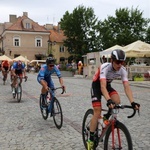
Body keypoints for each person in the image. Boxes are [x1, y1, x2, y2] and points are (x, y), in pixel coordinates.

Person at [87, 49, 140, 150]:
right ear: (112, 60)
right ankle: (91, 138)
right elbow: (102, 87)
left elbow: (127, 87)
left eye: (122, 62)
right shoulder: (105, 67)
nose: (120, 65)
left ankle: (106, 117)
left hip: (107, 85)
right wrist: (108, 100)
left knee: (117, 101)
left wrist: (132, 102)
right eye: (117, 62)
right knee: (97, 111)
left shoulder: (123, 70)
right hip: (97, 86)